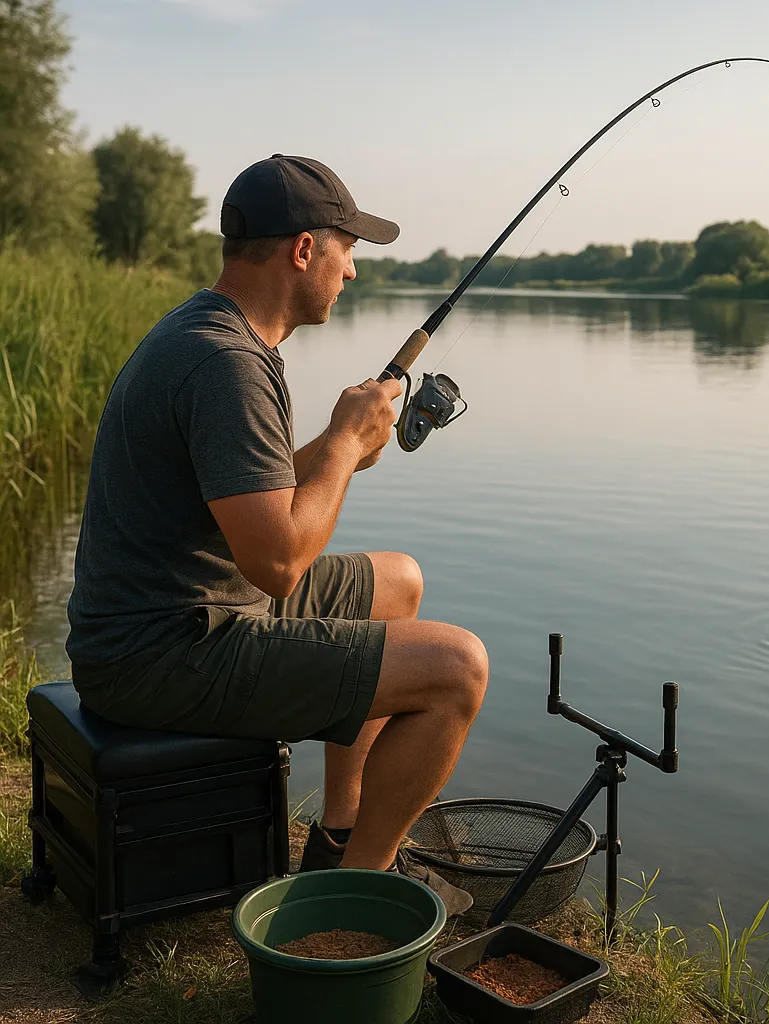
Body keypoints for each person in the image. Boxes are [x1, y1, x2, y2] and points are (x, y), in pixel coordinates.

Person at [65, 154, 488, 913]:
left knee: (400, 583)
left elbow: (250, 496)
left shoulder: (214, 330)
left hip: (176, 611)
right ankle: (354, 899)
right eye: (347, 249)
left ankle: (340, 832)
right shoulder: (226, 363)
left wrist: (341, 444)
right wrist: (345, 445)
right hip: (164, 652)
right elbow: (281, 563)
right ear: (303, 250)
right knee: (458, 667)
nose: (352, 271)